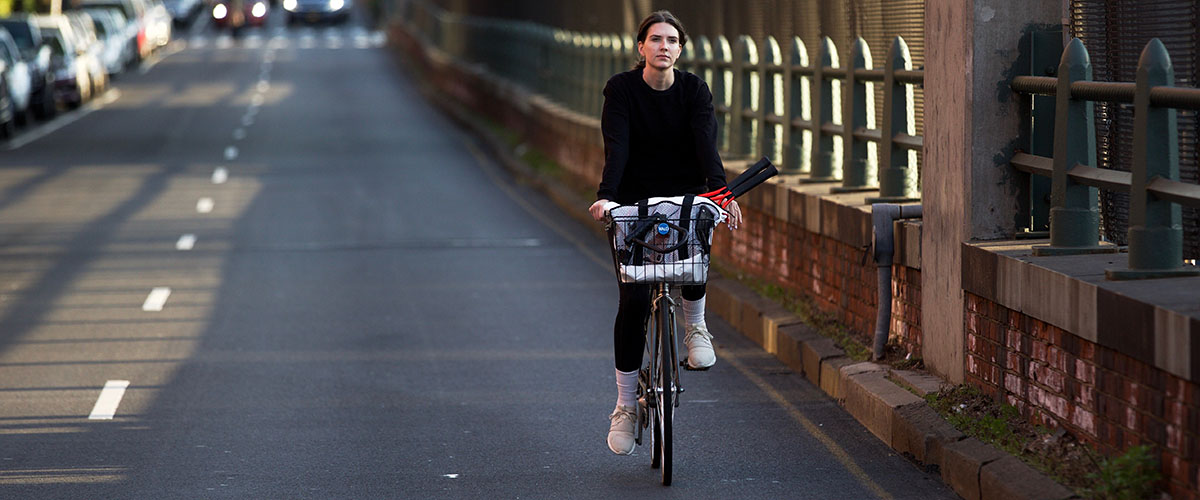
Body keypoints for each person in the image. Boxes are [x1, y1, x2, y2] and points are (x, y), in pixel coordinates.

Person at [587, 10, 743, 456]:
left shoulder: (694, 90)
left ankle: (696, 328)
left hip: (685, 195)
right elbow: (617, 146)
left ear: (680, 49)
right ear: (641, 48)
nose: (663, 46)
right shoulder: (621, 89)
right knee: (634, 299)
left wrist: (721, 195)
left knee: (695, 243)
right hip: (633, 200)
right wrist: (606, 198)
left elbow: (705, 145)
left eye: (672, 40)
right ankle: (625, 407)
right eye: (654, 39)